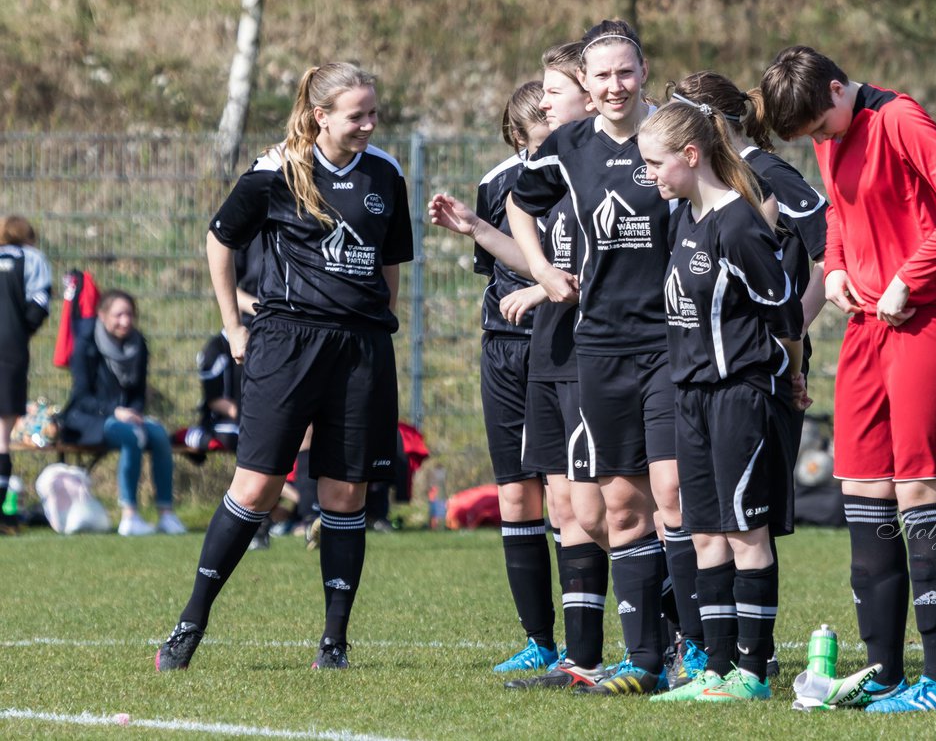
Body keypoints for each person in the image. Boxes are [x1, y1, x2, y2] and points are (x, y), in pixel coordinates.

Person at [756, 46, 936, 713]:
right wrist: (832, 268)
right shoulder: (830, 130)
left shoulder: (900, 119)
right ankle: (885, 673)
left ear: (839, 89)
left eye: (817, 128)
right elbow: (837, 214)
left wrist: (907, 278)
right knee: (862, 486)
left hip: (927, 319)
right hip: (865, 328)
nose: (815, 141)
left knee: (920, 486)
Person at [155, 61, 413, 671]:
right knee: (258, 486)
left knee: (345, 493)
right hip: (287, 343)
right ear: (321, 116)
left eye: (374, 114)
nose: (369, 125)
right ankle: (190, 624)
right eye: (358, 116)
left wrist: (379, 321)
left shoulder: (387, 173)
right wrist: (232, 326)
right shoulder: (278, 171)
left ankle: (334, 643)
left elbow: (391, 261)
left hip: (361, 350)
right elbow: (220, 239)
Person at [508, 20, 686, 695]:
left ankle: (698, 652)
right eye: (602, 75)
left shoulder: (674, 134)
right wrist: (545, 274)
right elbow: (521, 209)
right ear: (586, 81)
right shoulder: (567, 146)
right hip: (600, 347)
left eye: (626, 72)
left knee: (671, 493)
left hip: (671, 343)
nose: (615, 85)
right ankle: (644, 662)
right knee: (616, 505)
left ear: (644, 73)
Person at [637, 98, 804, 703]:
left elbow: (783, 307)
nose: (650, 174)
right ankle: (715, 670)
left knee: (744, 534)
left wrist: (792, 372)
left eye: (656, 163)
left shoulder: (738, 224)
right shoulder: (684, 217)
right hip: (691, 397)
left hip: (738, 396)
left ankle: (753, 674)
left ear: (691, 155)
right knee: (704, 533)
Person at [428, 79, 561, 674]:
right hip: (506, 348)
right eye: (538, 143)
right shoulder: (496, 183)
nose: (550, 151)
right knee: (515, 495)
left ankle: (640, 638)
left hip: (566, 342)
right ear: (516, 139)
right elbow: (499, 267)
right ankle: (540, 640)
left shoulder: (588, 170)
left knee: (574, 500)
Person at [60, 290, 186, 537]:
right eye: (118, 315)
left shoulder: (138, 343)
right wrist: (114, 411)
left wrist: (134, 411)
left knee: (159, 434)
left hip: (125, 416)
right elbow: (82, 397)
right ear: (103, 316)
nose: (125, 321)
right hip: (87, 419)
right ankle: (129, 515)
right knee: (131, 436)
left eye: (129, 314)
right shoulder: (87, 343)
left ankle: (166, 514)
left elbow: (138, 392)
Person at [0, 215, 52, 534]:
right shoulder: (31, 258)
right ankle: (2, 516)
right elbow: (39, 302)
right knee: (2, 436)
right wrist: (21, 332)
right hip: (8, 353)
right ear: (28, 237)